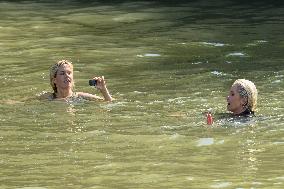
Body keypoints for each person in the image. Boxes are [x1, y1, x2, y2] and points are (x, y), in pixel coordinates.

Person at [41, 59, 113, 102]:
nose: (67, 76)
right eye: (62, 73)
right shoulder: (48, 97)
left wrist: (103, 90)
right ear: (54, 80)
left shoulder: (80, 96)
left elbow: (109, 102)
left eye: (69, 73)